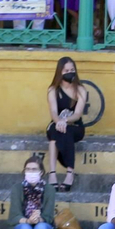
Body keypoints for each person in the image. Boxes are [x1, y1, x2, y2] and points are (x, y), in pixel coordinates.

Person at [45, 58, 86, 191]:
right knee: (55, 134)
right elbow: (53, 111)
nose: (70, 73)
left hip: (75, 126)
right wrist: (58, 122)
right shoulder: (53, 90)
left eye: (72, 70)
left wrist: (65, 121)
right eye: (66, 70)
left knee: (65, 132)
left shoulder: (80, 89)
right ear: (60, 72)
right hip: (56, 124)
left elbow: (78, 114)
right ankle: (52, 174)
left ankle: (70, 173)